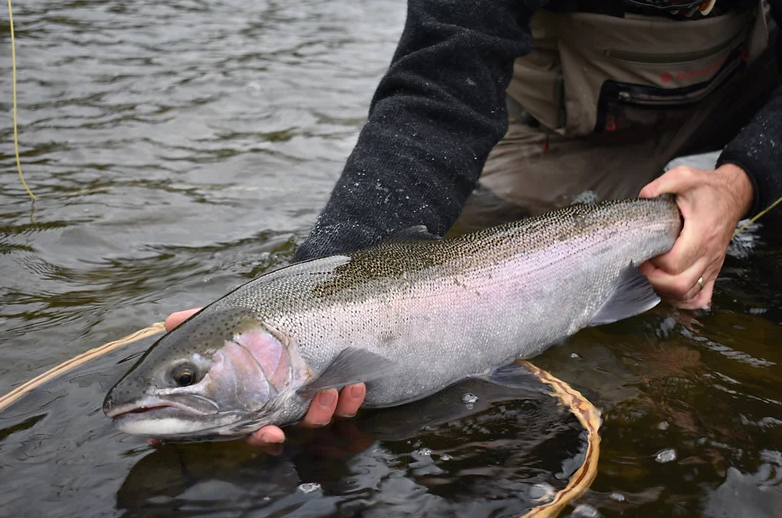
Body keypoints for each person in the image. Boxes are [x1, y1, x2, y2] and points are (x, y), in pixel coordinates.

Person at [171, 0, 782, 445]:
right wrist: (327, 279)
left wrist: (740, 182)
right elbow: (441, 95)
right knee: (453, 259)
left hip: (757, 92)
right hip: (566, 119)